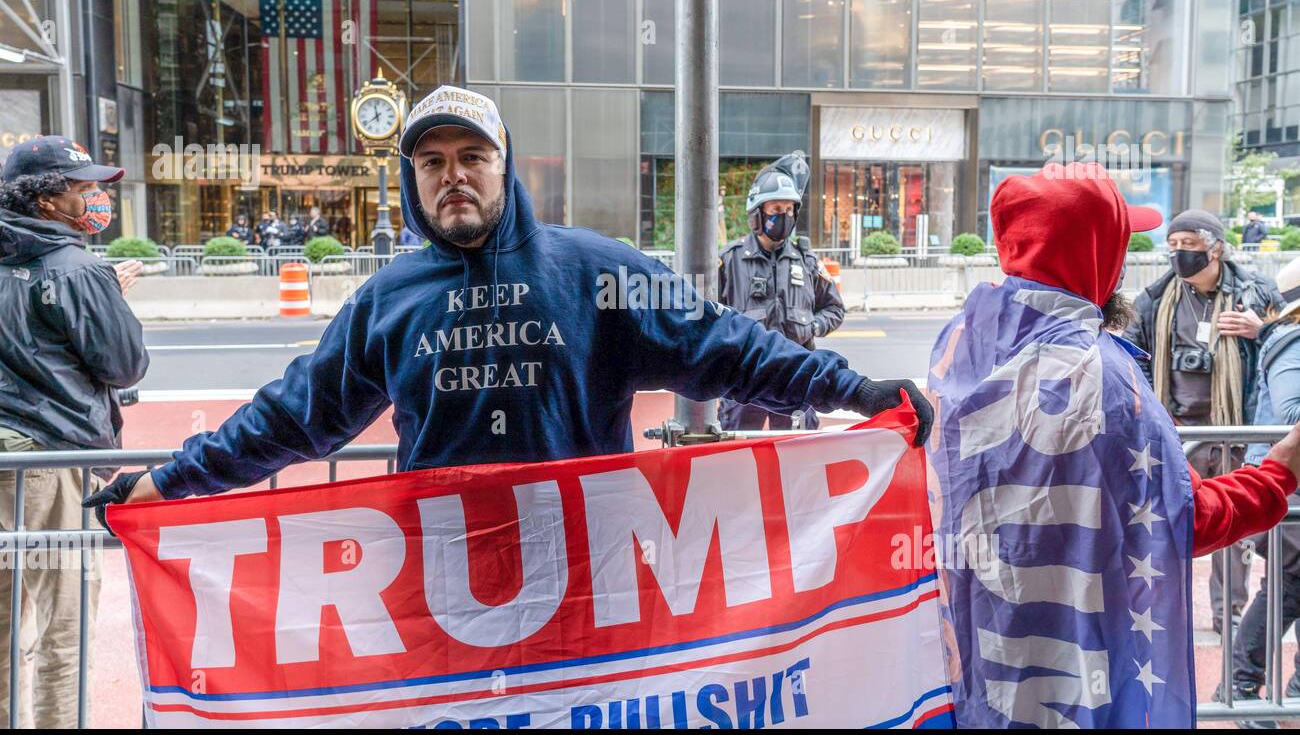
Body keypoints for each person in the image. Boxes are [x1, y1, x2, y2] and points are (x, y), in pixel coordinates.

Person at [87, 86, 931, 515]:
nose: (452, 174)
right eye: (431, 161)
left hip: (593, 578)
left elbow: (732, 351)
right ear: (414, 181)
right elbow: (290, 417)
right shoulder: (388, 302)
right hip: (444, 583)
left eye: (471, 155)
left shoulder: (599, 270)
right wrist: (165, 485)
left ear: (505, 165)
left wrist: (856, 393)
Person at [927, 160, 1297, 728]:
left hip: (988, 660)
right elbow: (1182, 519)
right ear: (1095, 254)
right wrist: (1279, 471)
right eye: (1120, 243)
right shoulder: (1101, 374)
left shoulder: (959, 345)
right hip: (1078, 674)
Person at [0, 135, 149, 728]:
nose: (94, 197)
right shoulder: (78, 269)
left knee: (6, 627)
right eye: (82, 187)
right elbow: (124, 364)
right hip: (50, 461)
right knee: (66, 628)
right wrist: (106, 294)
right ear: (44, 200)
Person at [1123, 209, 1283, 633]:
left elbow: (1288, 346)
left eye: (1189, 246)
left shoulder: (1257, 293)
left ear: (1216, 247)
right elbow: (1132, 361)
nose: (1179, 255)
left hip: (1235, 431)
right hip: (1178, 435)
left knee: (1233, 528)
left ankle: (1228, 614)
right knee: (1168, 523)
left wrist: (1260, 330)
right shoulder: (1156, 298)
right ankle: (1162, 616)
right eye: (1173, 246)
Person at [717, 152, 844, 430]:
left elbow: (835, 309)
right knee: (734, 458)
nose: (783, 216)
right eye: (776, 209)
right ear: (757, 214)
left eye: (788, 210)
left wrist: (814, 326)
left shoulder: (807, 261)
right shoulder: (730, 261)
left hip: (796, 380)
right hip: (743, 382)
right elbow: (706, 315)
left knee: (797, 461)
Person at [1228, 253, 1300, 726]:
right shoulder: (1291, 342)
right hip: (1288, 482)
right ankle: (1239, 684)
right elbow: (1291, 415)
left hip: (1288, 480)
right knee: (1288, 587)